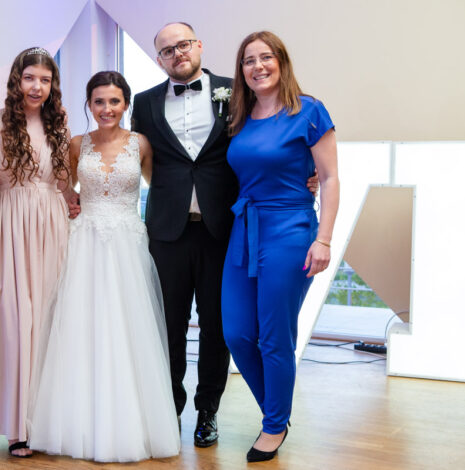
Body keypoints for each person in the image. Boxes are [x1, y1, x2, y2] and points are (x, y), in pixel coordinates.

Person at [27, 71, 181, 462]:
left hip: (128, 243)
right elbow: (64, 188)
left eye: (114, 101)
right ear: (89, 105)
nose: (107, 109)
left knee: (130, 328)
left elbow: (161, 187)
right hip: (86, 243)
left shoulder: (140, 144)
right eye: (99, 101)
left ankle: (133, 425)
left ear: (126, 104)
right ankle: (77, 424)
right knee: (83, 328)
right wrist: (70, 203)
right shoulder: (77, 144)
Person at [221, 31, 339, 463]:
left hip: (290, 228)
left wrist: (323, 239)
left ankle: (273, 425)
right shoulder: (239, 115)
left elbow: (329, 178)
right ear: (241, 71)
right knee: (237, 333)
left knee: (274, 336)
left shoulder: (308, 110)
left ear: (281, 61)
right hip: (244, 228)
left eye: (265, 57)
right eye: (248, 60)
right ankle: (277, 413)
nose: (258, 66)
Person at [130, 22, 237, 448]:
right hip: (166, 232)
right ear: (159, 59)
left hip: (220, 230)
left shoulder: (234, 91)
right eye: (168, 50)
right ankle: (168, 410)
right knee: (168, 326)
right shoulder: (144, 102)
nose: (178, 53)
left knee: (217, 326)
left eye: (184, 45)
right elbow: (140, 160)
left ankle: (208, 410)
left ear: (199, 46)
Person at [0, 47, 77, 458]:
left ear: (53, 86)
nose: (37, 86)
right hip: (7, 226)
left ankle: (48, 418)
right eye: (29, 77)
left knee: (49, 319)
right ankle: (18, 426)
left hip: (52, 224)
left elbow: (65, 185)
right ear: (16, 80)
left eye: (45, 80)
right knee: (14, 322)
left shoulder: (59, 124)